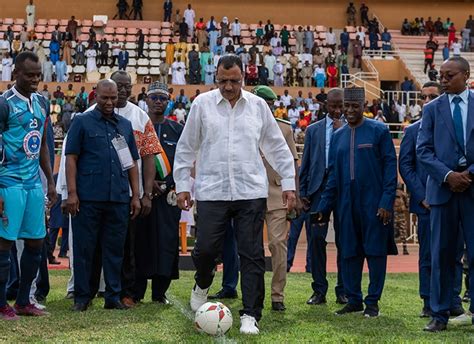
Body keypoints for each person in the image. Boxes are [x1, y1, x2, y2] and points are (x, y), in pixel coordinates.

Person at [174, 54, 296, 335]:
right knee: (205, 249)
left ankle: (251, 314)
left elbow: (277, 147)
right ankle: (203, 282)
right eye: (223, 81)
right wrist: (182, 185)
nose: (228, 87)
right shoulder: (202, 105)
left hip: (250, 192)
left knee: (251, 254)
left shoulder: (258, 107)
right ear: (215, 78)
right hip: (212, 191)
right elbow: (186, 147)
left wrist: (288, 182)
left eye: (234, 81)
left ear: (244, 79)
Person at [315, 87, 398, 317]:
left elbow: (391, 168)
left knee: (375, 252)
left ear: (364, 106)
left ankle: (372, 303)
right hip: (345, 205)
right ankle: (354, 300)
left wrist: (386, 202)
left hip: (374, 204)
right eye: (346, 107)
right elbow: (332, 176)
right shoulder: (339, 135)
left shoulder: (379, 131)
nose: (349, 111)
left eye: (354, 106)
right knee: (348, 252)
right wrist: (324, 207)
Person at [85, 71, 162, 307]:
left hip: (129, 195)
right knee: (95, 246)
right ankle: (87, 293)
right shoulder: (88, 116)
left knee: (127, 247)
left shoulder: (139, 117)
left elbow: (148, 157)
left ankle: (125, 293)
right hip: (96, 194)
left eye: (128, 86)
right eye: (119, 86)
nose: (123, 91)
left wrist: (146, 194)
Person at [65, 79, 141, 312]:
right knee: (85, 249)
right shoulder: (81, 122)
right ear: (95, 95)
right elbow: (71, 158)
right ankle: (82, 297)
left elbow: (131, 164)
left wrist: (135, 195)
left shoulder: (125, 126)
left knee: (115, 250)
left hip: (118, 198)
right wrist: (72, 193)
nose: (109, 102)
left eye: (113, 98)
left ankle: (113, 297)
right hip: (88, 198)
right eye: (104, 97)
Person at [417, 57, 474, 332]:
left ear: (465, 75)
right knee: (440, 254)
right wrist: (449, 176)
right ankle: (439, 314)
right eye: (440, 75)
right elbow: (423, 150)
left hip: (472, 190)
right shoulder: (431, 109)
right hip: (442, 192)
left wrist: (468, 175)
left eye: (449, 76)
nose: (443, 80)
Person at [399, 81, 464, 319]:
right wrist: (422, 195)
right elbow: (405, 165)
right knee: (430, 254)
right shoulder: (413, 130)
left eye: (432, 96)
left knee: (456, 252)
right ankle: (428, 299)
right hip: (428, 203)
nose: (427, 101)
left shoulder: (457, 126)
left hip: (458, 198)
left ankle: (454, 300)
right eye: (423, 97)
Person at [0, 52, 57, 320]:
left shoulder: (41, 103)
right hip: (9, 182)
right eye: (30, 74)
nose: (35, 79)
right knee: (4, 243)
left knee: (36, 242)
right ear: (16, 74)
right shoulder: (4, 104)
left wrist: (51, 182)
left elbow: (43, 143)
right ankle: (1, 304)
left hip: (34, 184)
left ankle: (24, 301)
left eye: (38, 74)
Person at [133, 82, 182, 303]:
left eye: (163, 98)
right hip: (143, 195)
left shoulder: (177, 129)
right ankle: (137, 291)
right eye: (154, 98)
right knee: (140, 241)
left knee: (167, 241)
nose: (159, 102)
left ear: (168, 101)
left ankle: (160, 292)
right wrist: (148, 183)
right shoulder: (137, 126)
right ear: (147, 100)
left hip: (167, 197)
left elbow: (183, 161)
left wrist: (168, 184)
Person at [299, 88, 348, 306]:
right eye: (333, 106)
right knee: (317, 240)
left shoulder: (352, 128)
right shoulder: (313, 130)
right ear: (325, 105)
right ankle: (319, 290)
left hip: (344, 189)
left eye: (341, 106)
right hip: (318, 190)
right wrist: (303, 193)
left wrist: (342, 131)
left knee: (345, 240)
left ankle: (343, 290)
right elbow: (306, 163)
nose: (337, 110)